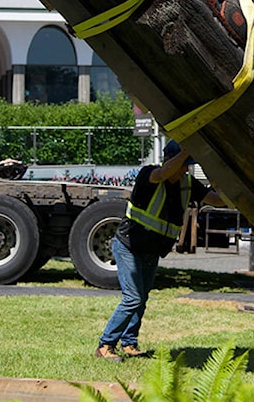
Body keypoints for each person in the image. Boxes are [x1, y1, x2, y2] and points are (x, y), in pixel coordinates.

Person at [95, 140, 224, 361]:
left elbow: (217, 200)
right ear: (171, 159)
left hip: (151, 250)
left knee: (141, 298)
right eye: (184, 164)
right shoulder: (149, 175)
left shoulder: (188, 184)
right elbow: (164, 172)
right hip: (129, 247)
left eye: (188, 165)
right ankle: (105, 345)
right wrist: (186, 152)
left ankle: (129, 343)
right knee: (133, 298)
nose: (186, 169)